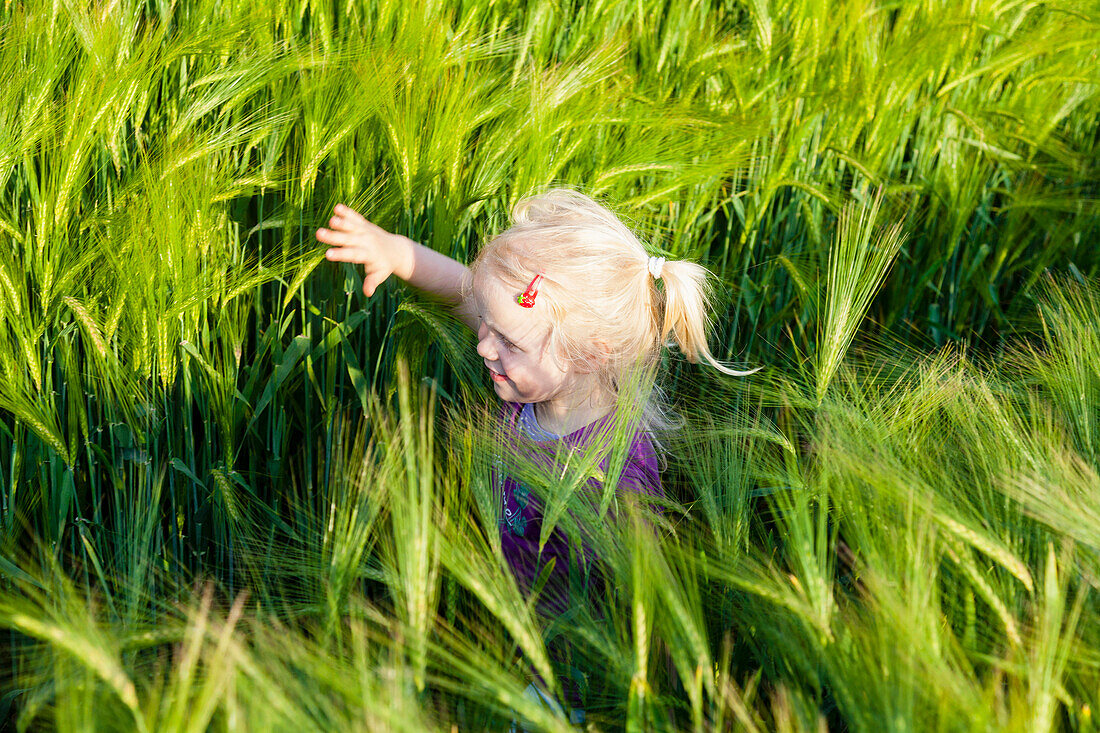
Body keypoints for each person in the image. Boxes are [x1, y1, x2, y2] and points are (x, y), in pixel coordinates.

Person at [316, 189, 753, 723]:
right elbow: (464, 292)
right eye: (486, 324)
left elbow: (650, 597)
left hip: (574, 682)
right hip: (514, 644)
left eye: (508, 342)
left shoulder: (616, 470)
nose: (483, 346)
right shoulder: (532, 357)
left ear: (592, 353)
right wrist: (397, 251)